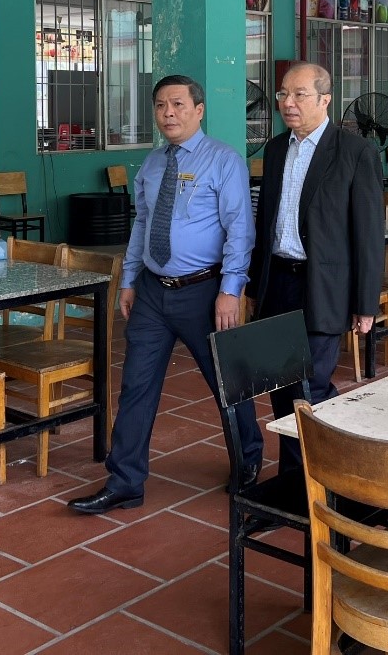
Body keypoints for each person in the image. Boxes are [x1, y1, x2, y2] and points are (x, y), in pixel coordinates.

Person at [68, 74, 259, 514]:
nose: (167, 113)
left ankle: (248, 460)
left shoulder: (224, 161)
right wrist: (129, 279)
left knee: (227, 383)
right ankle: (124, 481)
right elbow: (142, 223)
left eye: (177, 104)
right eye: (160, 106)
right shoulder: (153, 163)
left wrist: (231, 289)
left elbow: (240, 229)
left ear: (198, 109)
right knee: (136, 385)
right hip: (153, 294)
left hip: (205, 291)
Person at [246, 62, 384, 474]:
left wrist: (365, 303)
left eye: (299, 94)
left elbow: (368, 234)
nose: (287, 103)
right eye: (283, 94)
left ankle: (310, 480)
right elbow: (265, 223)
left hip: (324, 285)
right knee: (281, 383)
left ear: (325, 100)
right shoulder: (275, 149)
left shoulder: (354, 152)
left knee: (311, 385)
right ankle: (316, 470)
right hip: (277, 283)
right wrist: (254, 287)